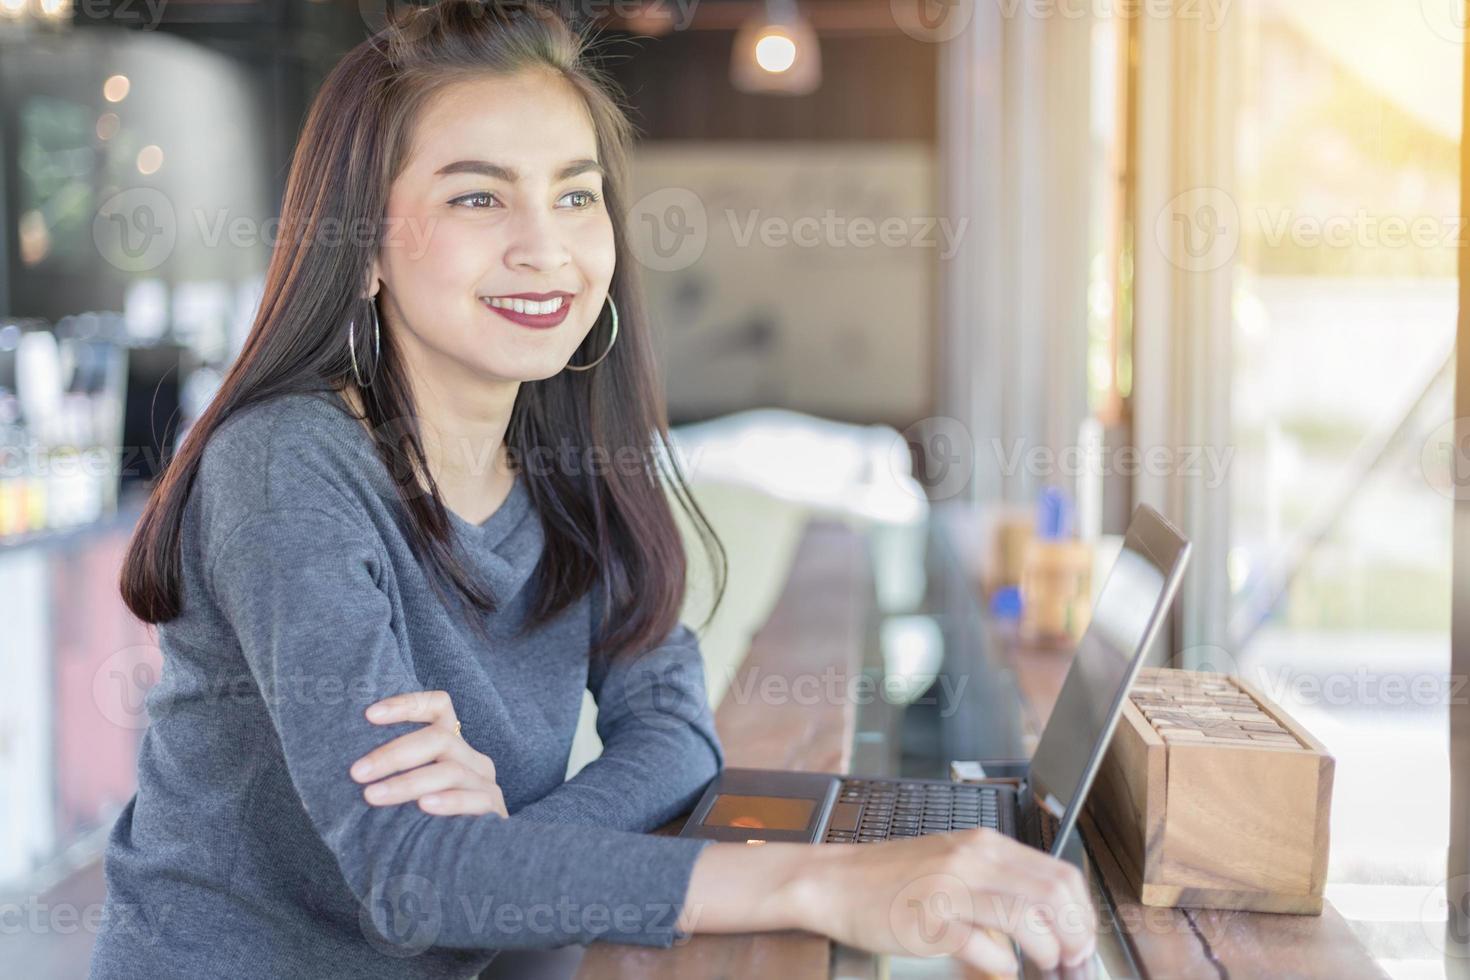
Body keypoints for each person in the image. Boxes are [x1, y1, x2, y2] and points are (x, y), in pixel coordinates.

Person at [91, 1, 1097, 977]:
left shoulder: (574, 458)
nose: (548, 245)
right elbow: (411, 875)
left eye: (576, 193)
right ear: (361, 249)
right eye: (478, 196)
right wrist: (826, 881)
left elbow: (672, 732)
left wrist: (502, 851)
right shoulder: (286, 465)